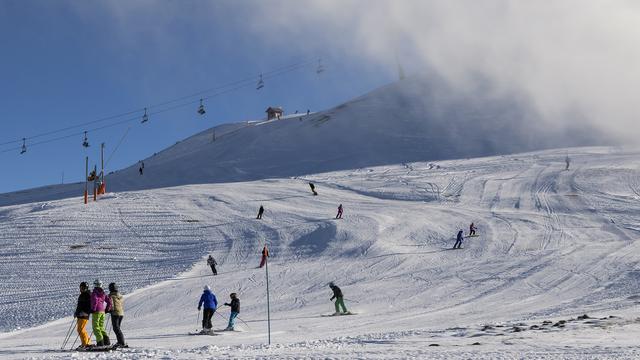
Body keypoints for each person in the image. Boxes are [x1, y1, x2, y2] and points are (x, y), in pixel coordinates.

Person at [90, 279, 112, 346]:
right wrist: (107, 309)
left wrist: (93, 309)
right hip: (102, 311)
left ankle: (100, 342)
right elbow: (109, 301)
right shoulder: (103, 293)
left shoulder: (94, 292)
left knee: (96, 327)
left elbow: (95, 300)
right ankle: (106, 341)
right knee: (101, 327)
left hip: (96, 311)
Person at [108, 283, 127, 348]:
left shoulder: (111, 296)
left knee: (116, 328)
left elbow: (112, 304)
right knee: (117, 328)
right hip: (121, 313)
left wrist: (109, 310)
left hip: (115, 313)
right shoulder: (119, 296)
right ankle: (120, 342)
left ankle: (121, 342)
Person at [74, 282, 92, 349]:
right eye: (81, 287)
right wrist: (76, 312)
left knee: (80, 329)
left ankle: (85, 344)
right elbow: (79, 305)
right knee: (81, 329)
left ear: (86, 288)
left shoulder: (87, 295)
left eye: (83, 288)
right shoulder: (83, 294)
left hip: (84, 314)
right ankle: (87, 342)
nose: (81, 289)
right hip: (80, 314)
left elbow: (89, 306)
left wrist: (85, 312)